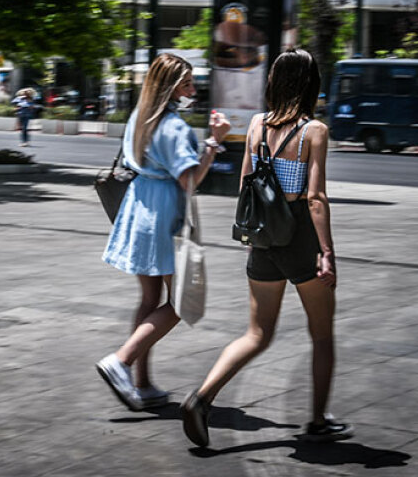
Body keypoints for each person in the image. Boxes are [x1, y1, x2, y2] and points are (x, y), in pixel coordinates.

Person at [180, 49, 353, 447]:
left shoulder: (257, 125)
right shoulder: (314, 131)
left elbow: (246, 185)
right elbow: (315, 198)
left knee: (257, 333)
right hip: (301, 240)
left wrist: (251, 238)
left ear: (274, 82)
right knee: (322, 335)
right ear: (311, 85)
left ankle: (202, 398)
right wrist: (326, 251)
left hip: (263, 239)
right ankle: (318, 421)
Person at [96, 53, 231, 412]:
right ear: (170, 87)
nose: (192, 90)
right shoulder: (174, 127)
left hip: (139, 208)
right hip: (164, 217)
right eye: (186, 83)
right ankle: (121, 361)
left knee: (149, 299)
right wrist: (214, 143)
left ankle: (140, 384)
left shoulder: (139, 117)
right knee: (181, 302)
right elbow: (190, 180)